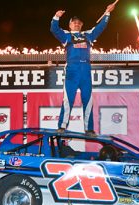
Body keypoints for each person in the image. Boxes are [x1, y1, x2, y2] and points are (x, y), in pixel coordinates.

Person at [50, 3, 116, 136]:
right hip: (72, 70)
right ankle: (62, 126)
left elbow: (100, 27)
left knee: (88, 99)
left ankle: (89, 129)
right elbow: (54, 30)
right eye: (74, 22)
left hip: (85, 69)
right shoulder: (66, 35)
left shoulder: (88, 35)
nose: (77, 24)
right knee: (68, 99)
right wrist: (56, 17)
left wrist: (107, 13)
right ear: (69, 25)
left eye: (79, 23)